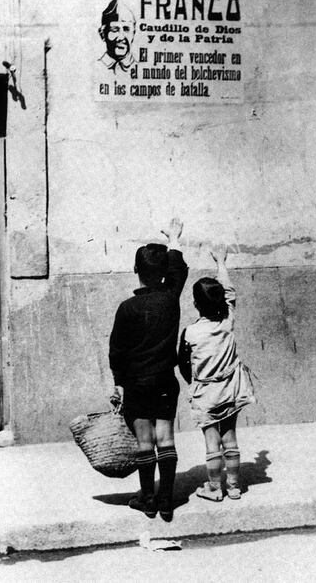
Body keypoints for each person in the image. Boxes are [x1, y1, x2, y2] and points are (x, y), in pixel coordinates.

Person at [109, 219, 188, 521]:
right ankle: (167, 501)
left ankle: (148, 499)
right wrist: (175, 240)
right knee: (166, 439)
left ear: (135, 270)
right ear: (163, 273)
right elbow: (179, 270)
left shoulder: (127, 308)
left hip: (137, 384)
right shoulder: (171, 301)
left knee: (145, 443)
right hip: (165, 381)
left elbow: (117, 350)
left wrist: (119, 383)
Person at [178, 246, 256, 501]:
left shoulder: (190, 333)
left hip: (206, 393)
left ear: (195, 305)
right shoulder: (227, 321)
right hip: (232, 388)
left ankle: (214, 488)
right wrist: (221, 263)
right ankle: (234, 486)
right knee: (230, 437)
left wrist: (195, 381)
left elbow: (183, 363)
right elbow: (230, 293)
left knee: (212, 443)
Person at [98, 0, 136, 73]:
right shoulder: (94, 68)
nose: (121, 37)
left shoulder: (143, 69)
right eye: (115, 30)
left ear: (133, 33)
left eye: (126, 29)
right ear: (102, 34)